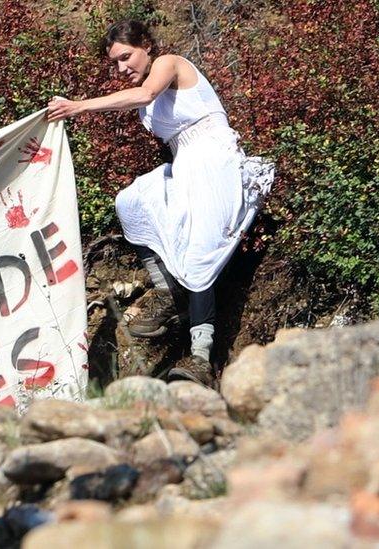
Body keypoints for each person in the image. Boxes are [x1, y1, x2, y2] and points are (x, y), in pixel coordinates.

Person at [47, 19, 273, 387]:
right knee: (131, 202)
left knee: (199, 252)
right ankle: (169, 293)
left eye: (126, 57)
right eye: (115, 63)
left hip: (214, 160)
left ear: (147, 46)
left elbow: (145, 94)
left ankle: (201, 357)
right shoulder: (145, 106)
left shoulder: (169, 62)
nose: (122, 69)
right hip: (185, 164)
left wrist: (78, 107)